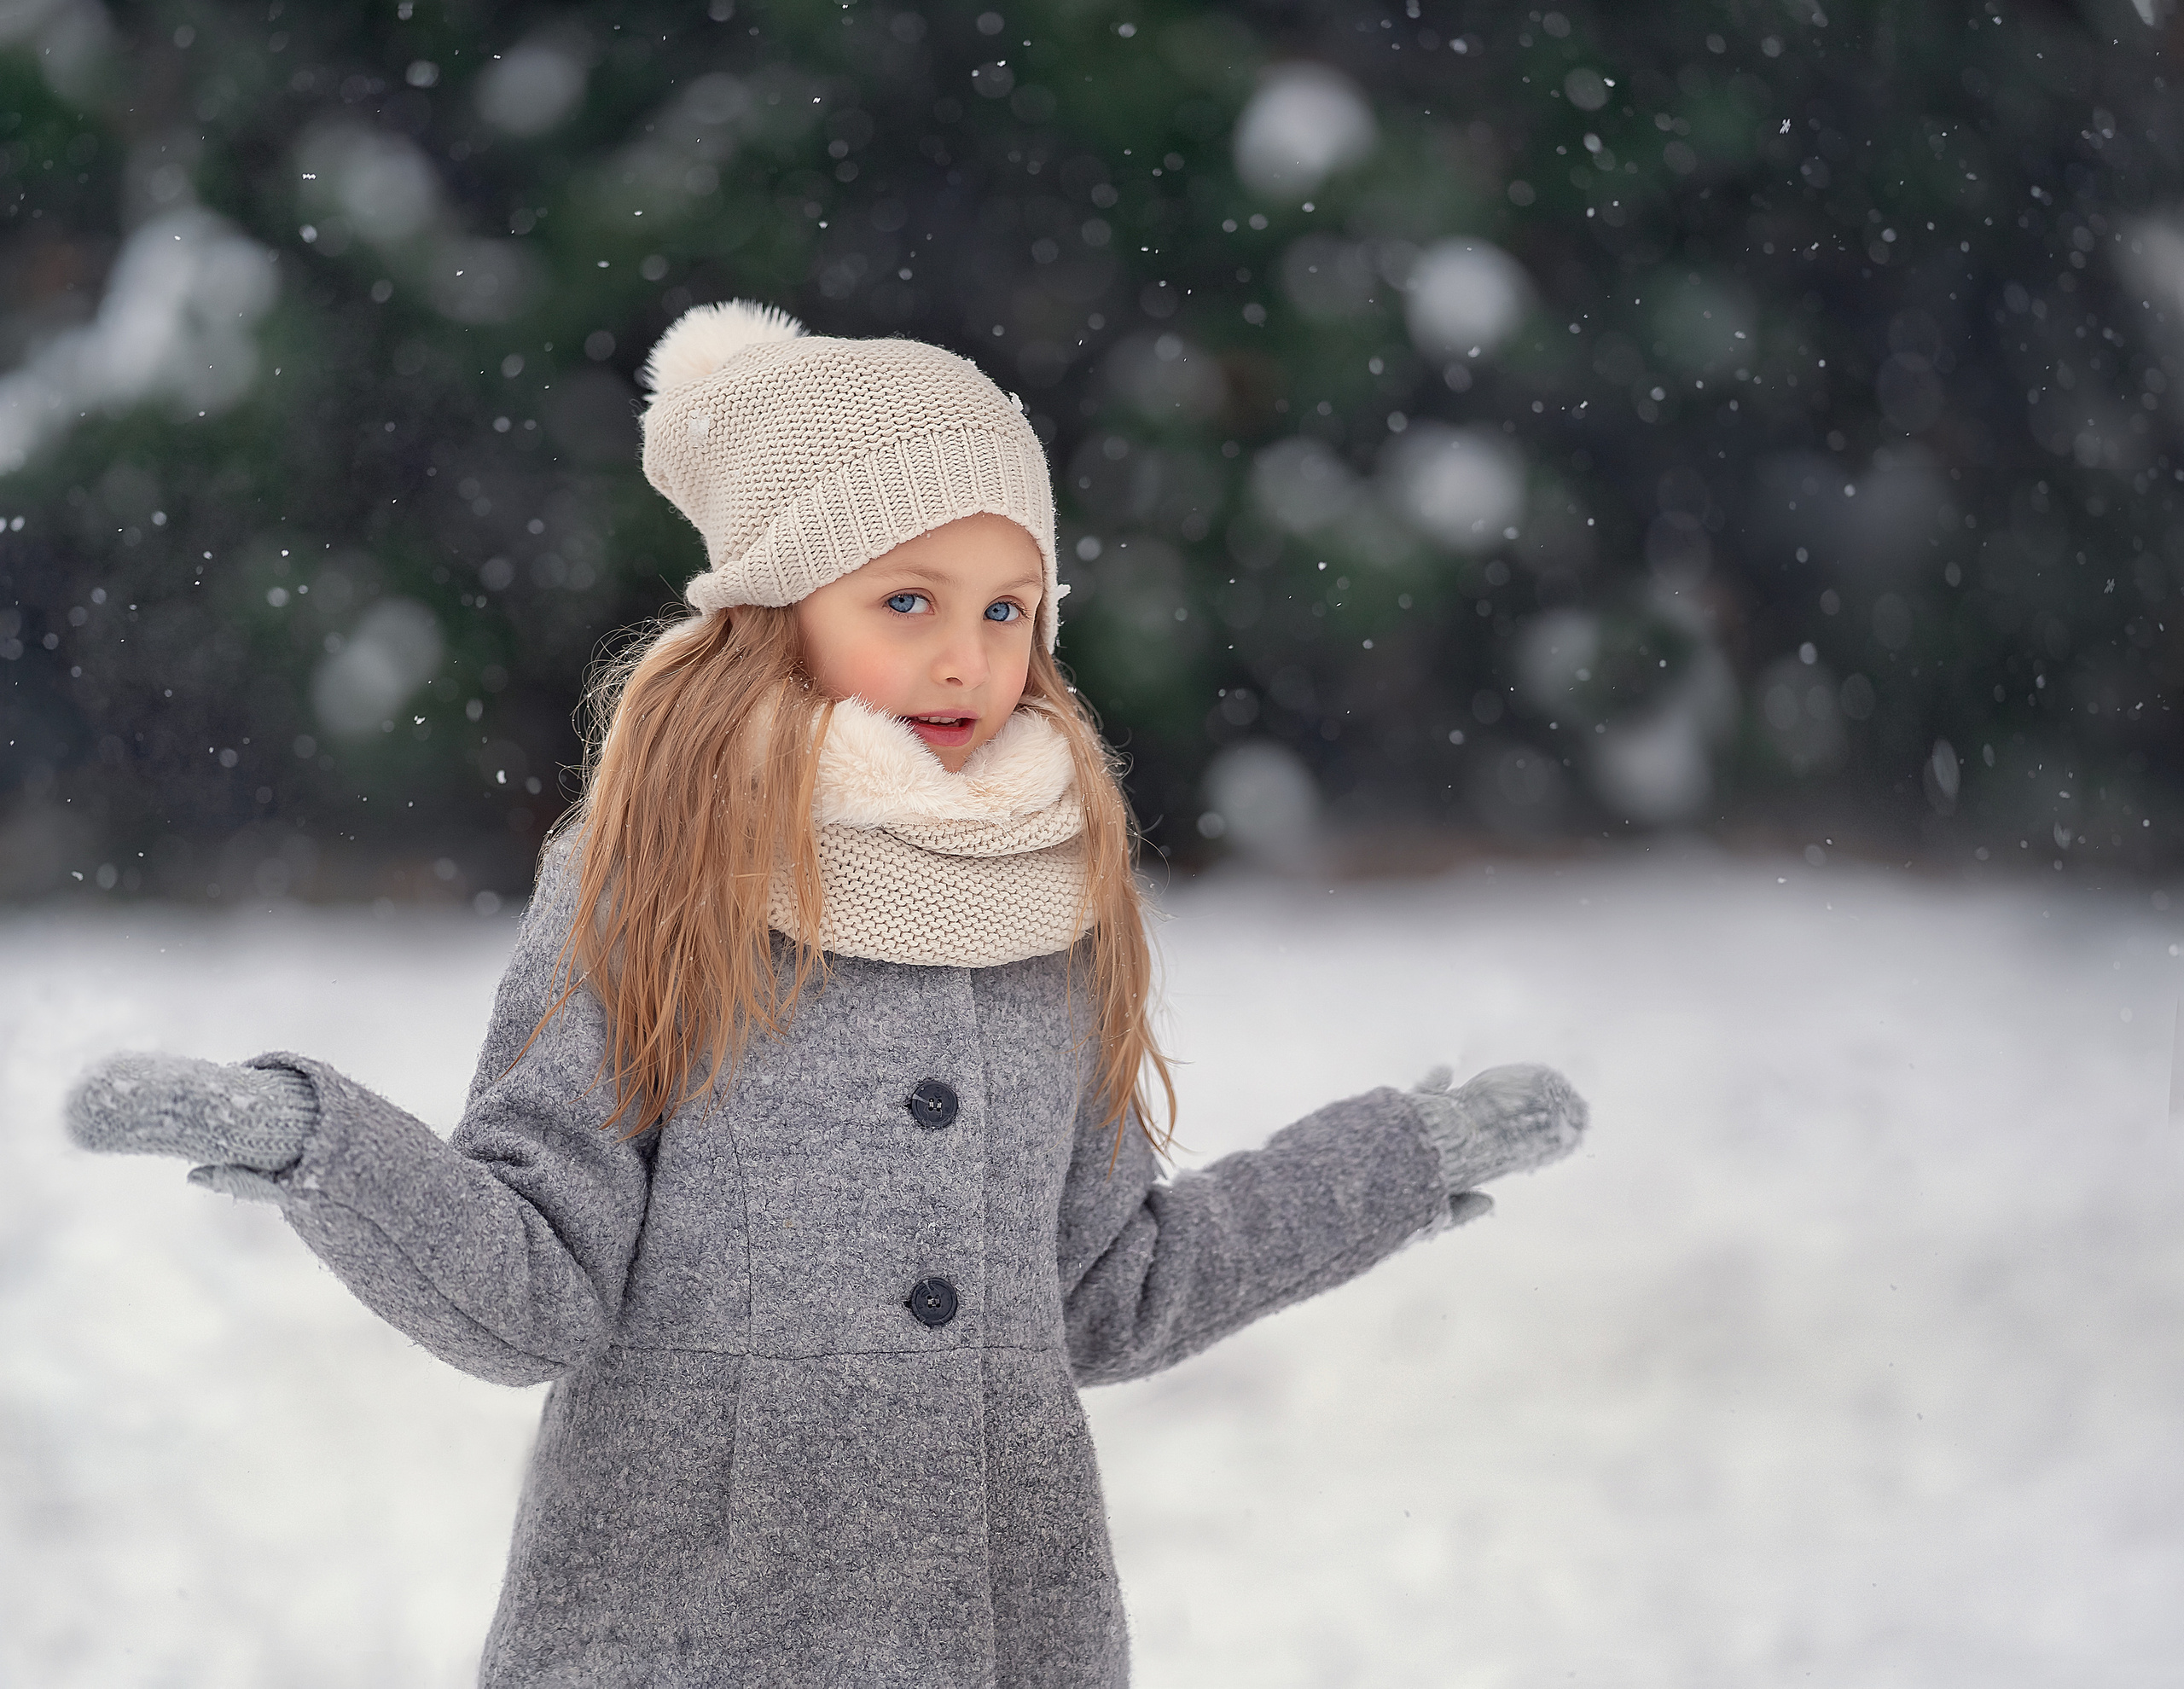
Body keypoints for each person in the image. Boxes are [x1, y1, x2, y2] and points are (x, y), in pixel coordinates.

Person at [62, 300, 1589, 1688]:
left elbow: (1112, 1291)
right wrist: (309, 1141)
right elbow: (534, 1286)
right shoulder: (646, 875)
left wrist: (1403, 1161)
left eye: (1008, 608)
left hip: (1009, 1633)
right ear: (781, 604)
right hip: (684, 1630)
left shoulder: (1057, 889)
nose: (968, 659)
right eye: (907, 600)